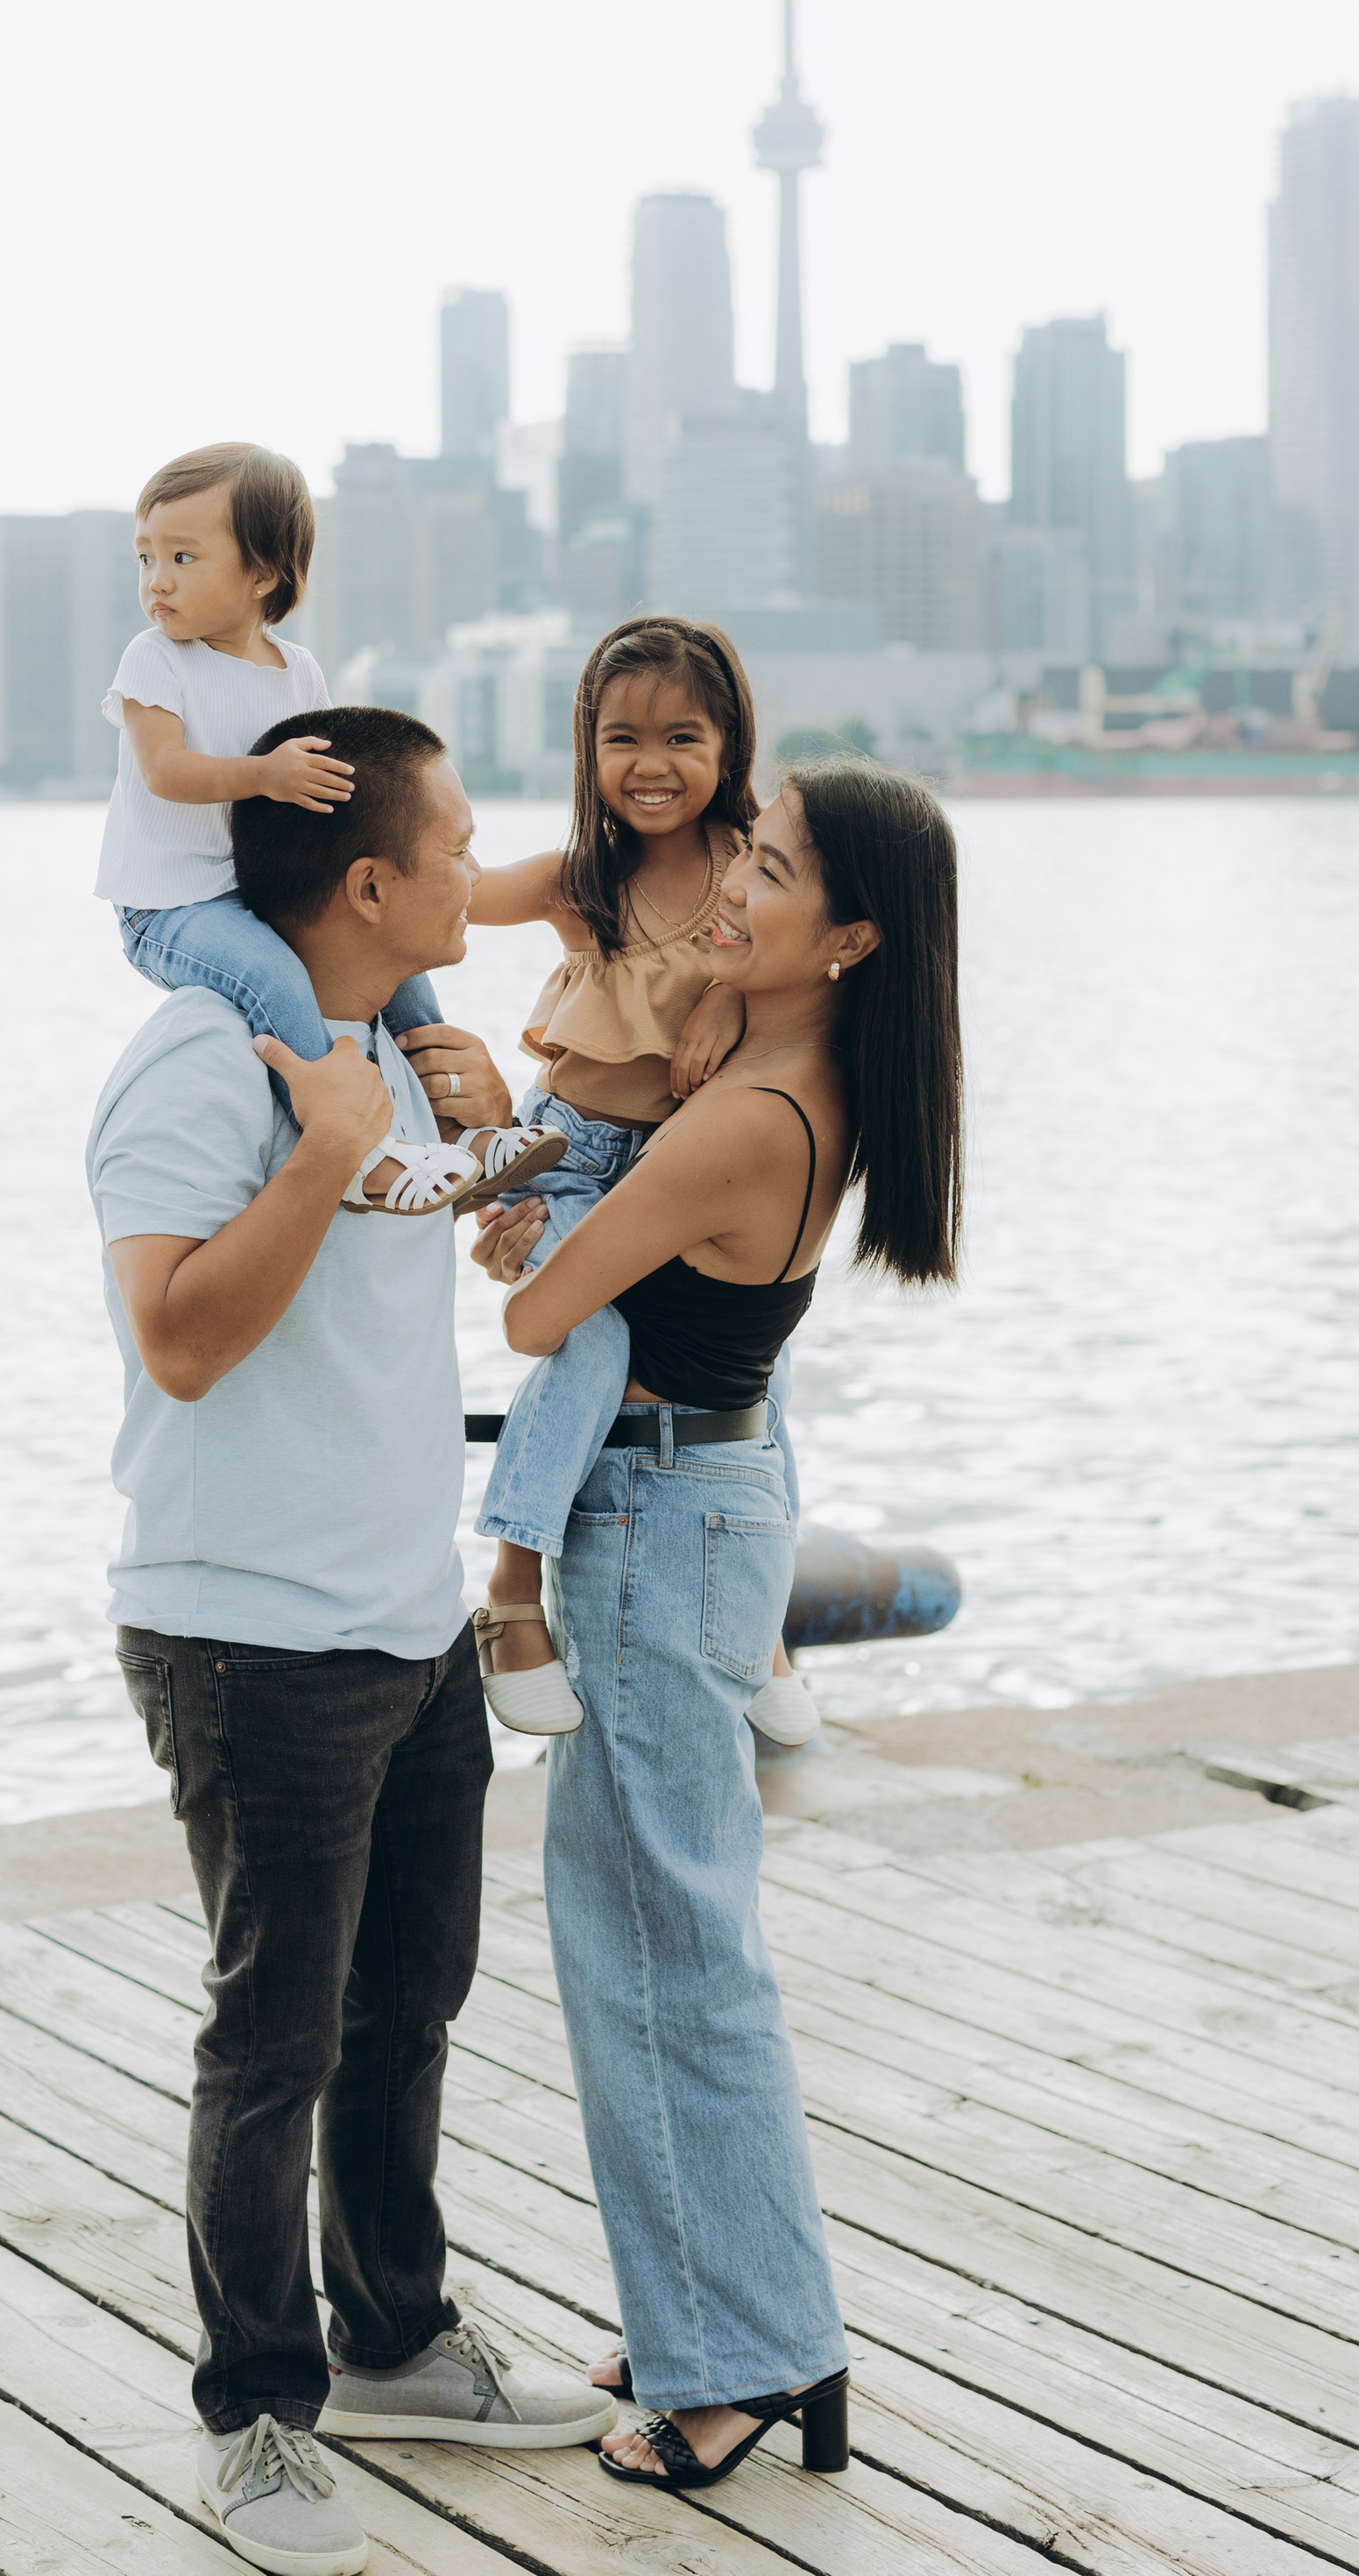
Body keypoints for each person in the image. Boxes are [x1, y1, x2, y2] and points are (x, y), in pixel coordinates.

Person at [89, 702, 614, 2576]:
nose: (486, 867)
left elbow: (459, 1272)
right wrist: (319, 1153)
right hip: (249, 1643)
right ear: (374, 877)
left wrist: (489, 1149)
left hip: (399, 1628)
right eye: (461, 841)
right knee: (273, 2042)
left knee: (405, 2011)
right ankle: (257, 2418)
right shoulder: (199, 1069)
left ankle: (389, 2339)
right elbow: (180, 1340)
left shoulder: (392, 1052)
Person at [471, 756, 965, 2498]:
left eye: (769, 873)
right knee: (681, 1941)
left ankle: (731, 2365)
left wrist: (520, 1213)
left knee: (648, 1952)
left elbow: (538, 1311)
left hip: (651, 1526)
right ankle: (730, 2318)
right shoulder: (768, 1079)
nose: (728, 887)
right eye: (740, 853)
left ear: (845, 938)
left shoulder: (743, 1119)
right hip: (698, 1510)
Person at [463, 618, 818, 1746]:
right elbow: (446, 897)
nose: (650, 764)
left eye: (681, 736)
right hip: (568, 1157)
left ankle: (763, 1624)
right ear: (585, 751)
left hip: (678, 1172)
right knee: (595, 1342)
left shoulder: (753, 866)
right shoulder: (584, 879)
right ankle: (512, 1591)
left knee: (762, 1371)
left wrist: (725, 993)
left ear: (729, 744)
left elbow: (803, 968)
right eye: (620, 739)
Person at [96, 439, 563, 1218]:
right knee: (273, 979)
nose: (157, 582)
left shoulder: (297, 670)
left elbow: (325, 789)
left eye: (182, 556)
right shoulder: (154, 661)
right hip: (172, 907)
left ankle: (463, 1133)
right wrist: (266, 775)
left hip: (260, 891)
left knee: (403, 972)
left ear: (262, 574)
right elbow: (166, 772)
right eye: (144, 558)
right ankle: (358, 1152)